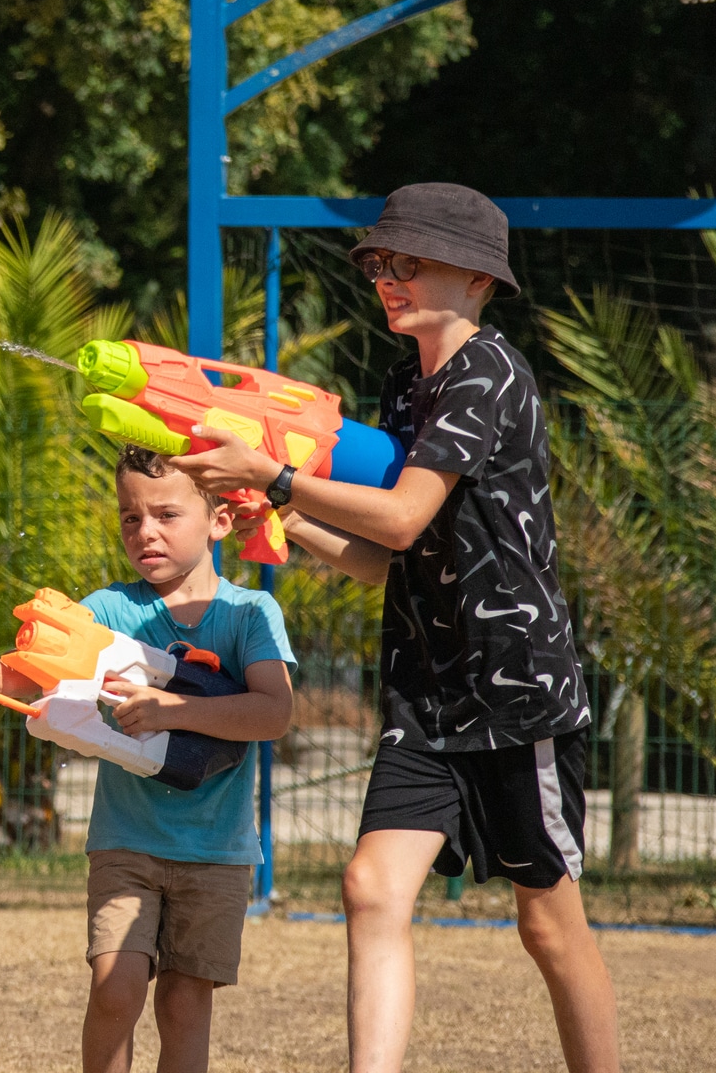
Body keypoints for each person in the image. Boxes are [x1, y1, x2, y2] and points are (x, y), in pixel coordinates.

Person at [170, 183, 621, 1073]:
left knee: (547, 923)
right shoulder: (403, 384)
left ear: (478, 278)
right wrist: (279, 514)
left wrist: (277, 477)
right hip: (427, 693)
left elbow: (404, 516)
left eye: (410, 261)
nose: (388, 276)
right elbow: (387, 561)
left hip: (513, 692)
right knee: (370, 887)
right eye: (381, 262)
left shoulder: (488, 372)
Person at [0, 446, 295, 1073]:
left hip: (217, 853)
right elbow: (41, 664)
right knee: (116, 986)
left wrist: (172, 709)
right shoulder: (111, 608)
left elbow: (272, 713)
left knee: (185, 1005)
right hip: (125, 843)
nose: (145, 531)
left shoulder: (250, 614)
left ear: (219, 520)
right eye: (130, 517)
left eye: (165, 514)